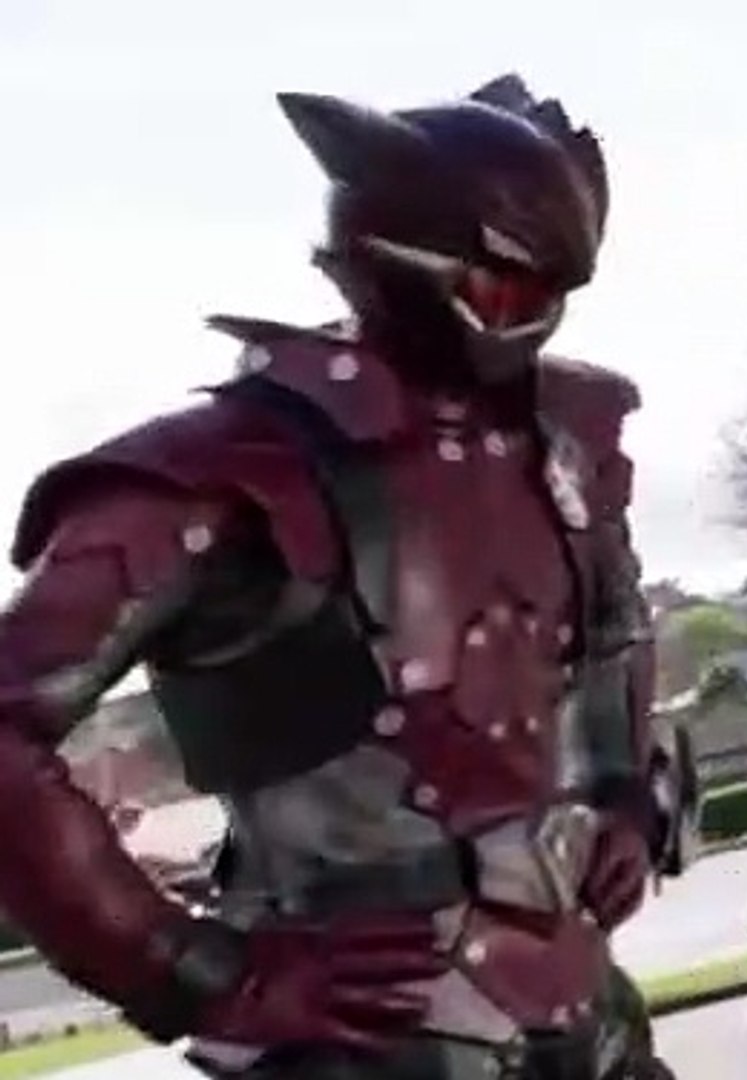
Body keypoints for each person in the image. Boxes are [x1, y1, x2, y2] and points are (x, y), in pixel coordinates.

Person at [0, 74, 685, 1078]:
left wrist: (625, 793)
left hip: (583, 1002)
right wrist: (197, 971)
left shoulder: (561, 440)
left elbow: (612, 629)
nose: (537, 323)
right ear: (391, 265)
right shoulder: (217, 473)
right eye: (509, 293)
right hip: (363, 1039)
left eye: (555, 295)